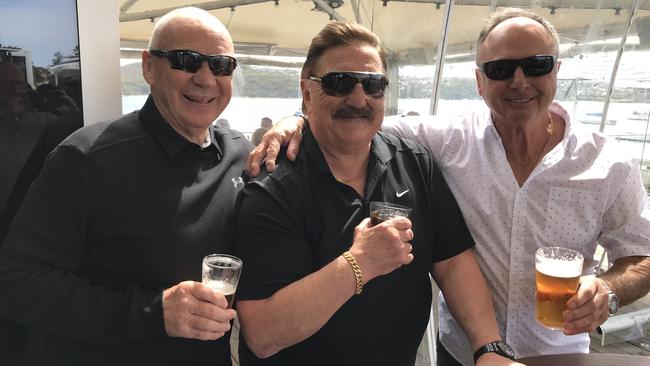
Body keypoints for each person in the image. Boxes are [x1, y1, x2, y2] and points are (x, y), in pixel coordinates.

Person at [248, 8, 650, 366]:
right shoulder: (444, 143)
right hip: (461, 356)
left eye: (537, 65)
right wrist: (295, 119)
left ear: (556, 72)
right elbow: (355, 123)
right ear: (479, 81)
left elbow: (642, 255)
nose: (519, 81)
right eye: (500, 69)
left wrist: (608, 292)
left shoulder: (609, 162)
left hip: (557, 350)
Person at [233, 21, 522, 366]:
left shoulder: (414, 162)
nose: (358, 99)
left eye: (373, 85)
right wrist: (359, 264)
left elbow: (453, 261)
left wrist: (488, 346)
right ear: (307, 93)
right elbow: (264, 334)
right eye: (339, 83)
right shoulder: (272, 187)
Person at [0, 7, 251, 365]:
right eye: (186, 60)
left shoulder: (240, 152)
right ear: (149, 67)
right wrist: (152, 312)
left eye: (221, 65)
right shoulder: (87, 158)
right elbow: (16, 282)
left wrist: (296, 125)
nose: (206, 78)